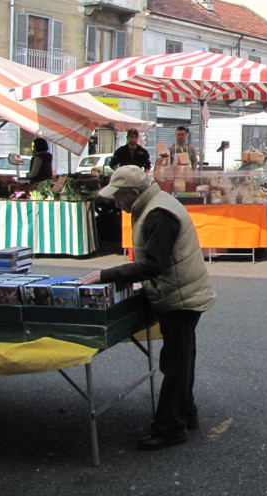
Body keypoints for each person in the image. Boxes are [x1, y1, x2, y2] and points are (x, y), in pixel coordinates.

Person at [79, 166, 216, 451]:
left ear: (134, 193)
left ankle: (170, 428)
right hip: (180, 291)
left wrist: (109, 274)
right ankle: (184, 415)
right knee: (181, 359)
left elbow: (154, 263)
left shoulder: (158, 214)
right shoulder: (155, 204)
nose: (117, 204)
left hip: (181, 296)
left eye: (119, 198)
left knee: (175, 363)